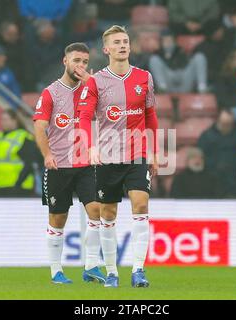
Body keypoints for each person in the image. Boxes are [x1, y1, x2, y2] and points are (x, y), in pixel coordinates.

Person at [78, 25, 159, 288]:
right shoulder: (95, 81)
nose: (123, 45)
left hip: (137, 154)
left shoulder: (144, 78)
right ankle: (112, 272)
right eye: (117, 42)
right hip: (107, 156)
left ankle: (138, 270)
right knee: (108, 213)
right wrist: (90, 146)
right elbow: (83, 118)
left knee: (141, 204)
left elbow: (151, 117)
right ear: (107, 49)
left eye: (126, 41)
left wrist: (155, 152)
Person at [33, 42, 105, 284]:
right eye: (76, 60)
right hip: (59, 166)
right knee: (58, 218)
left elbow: (112, 112)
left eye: (85, 62)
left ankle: (92, 266)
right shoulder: (50, 93)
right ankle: (56, 271)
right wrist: (47, 154)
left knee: (97, 209)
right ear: (65, 61)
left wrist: (95, 87)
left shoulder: (91, 90)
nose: (81, 66)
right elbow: (39, 127)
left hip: (86, 164)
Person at [0, 110, 41, 197]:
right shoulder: (0, 137)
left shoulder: (24, 138)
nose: (2, 122)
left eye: (5, 119)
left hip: (16, 188)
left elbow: (29, 164)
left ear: (14, 121)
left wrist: (17, 184)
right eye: (2, 119)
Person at [149, 29, 208, 93]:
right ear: (161, 42)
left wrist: (174, 54)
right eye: (165, 41)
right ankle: (162, 87)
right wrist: (164, 55)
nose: (168, 43)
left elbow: (184, 65)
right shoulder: (158, 53)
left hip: (184, 81)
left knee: (199, 57)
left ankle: (202, 87)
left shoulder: (180, 51)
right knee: (154, 59)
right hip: (168, 85)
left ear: (174, 41)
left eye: (170, 40)